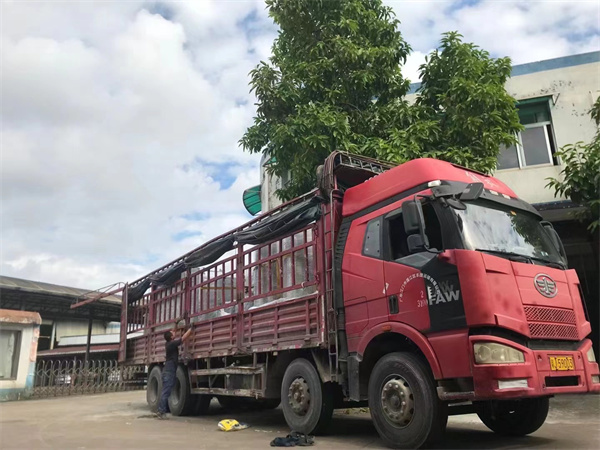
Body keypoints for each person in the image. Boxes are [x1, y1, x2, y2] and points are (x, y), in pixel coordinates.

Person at [155, 325, 192, 419]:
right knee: (166, 392)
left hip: (169, 369)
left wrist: (176, 323)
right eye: (173, 333)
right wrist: (191, 329)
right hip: (169, 370)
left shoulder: (169, 343)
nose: (174, 332)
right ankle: (161, 411)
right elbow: (183, 339)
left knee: (166, 391)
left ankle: (161, 410)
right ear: (171, 337)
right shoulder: (171, 344)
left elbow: (173, 332)